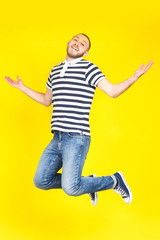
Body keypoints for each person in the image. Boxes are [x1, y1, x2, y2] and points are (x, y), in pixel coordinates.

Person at [5, 33, 153, 206]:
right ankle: (87, 183)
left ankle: (114, 180)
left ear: (86, 52)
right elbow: (46, 100)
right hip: (57, 137)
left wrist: (133, 78)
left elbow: (112, 91)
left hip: (77, 137)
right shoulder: (55, 70)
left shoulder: (88, 68)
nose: (77, 44)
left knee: (71, 188)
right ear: (68, 42)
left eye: (83, 44)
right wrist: (22, 88)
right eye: (75, 40)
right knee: (41, 181)